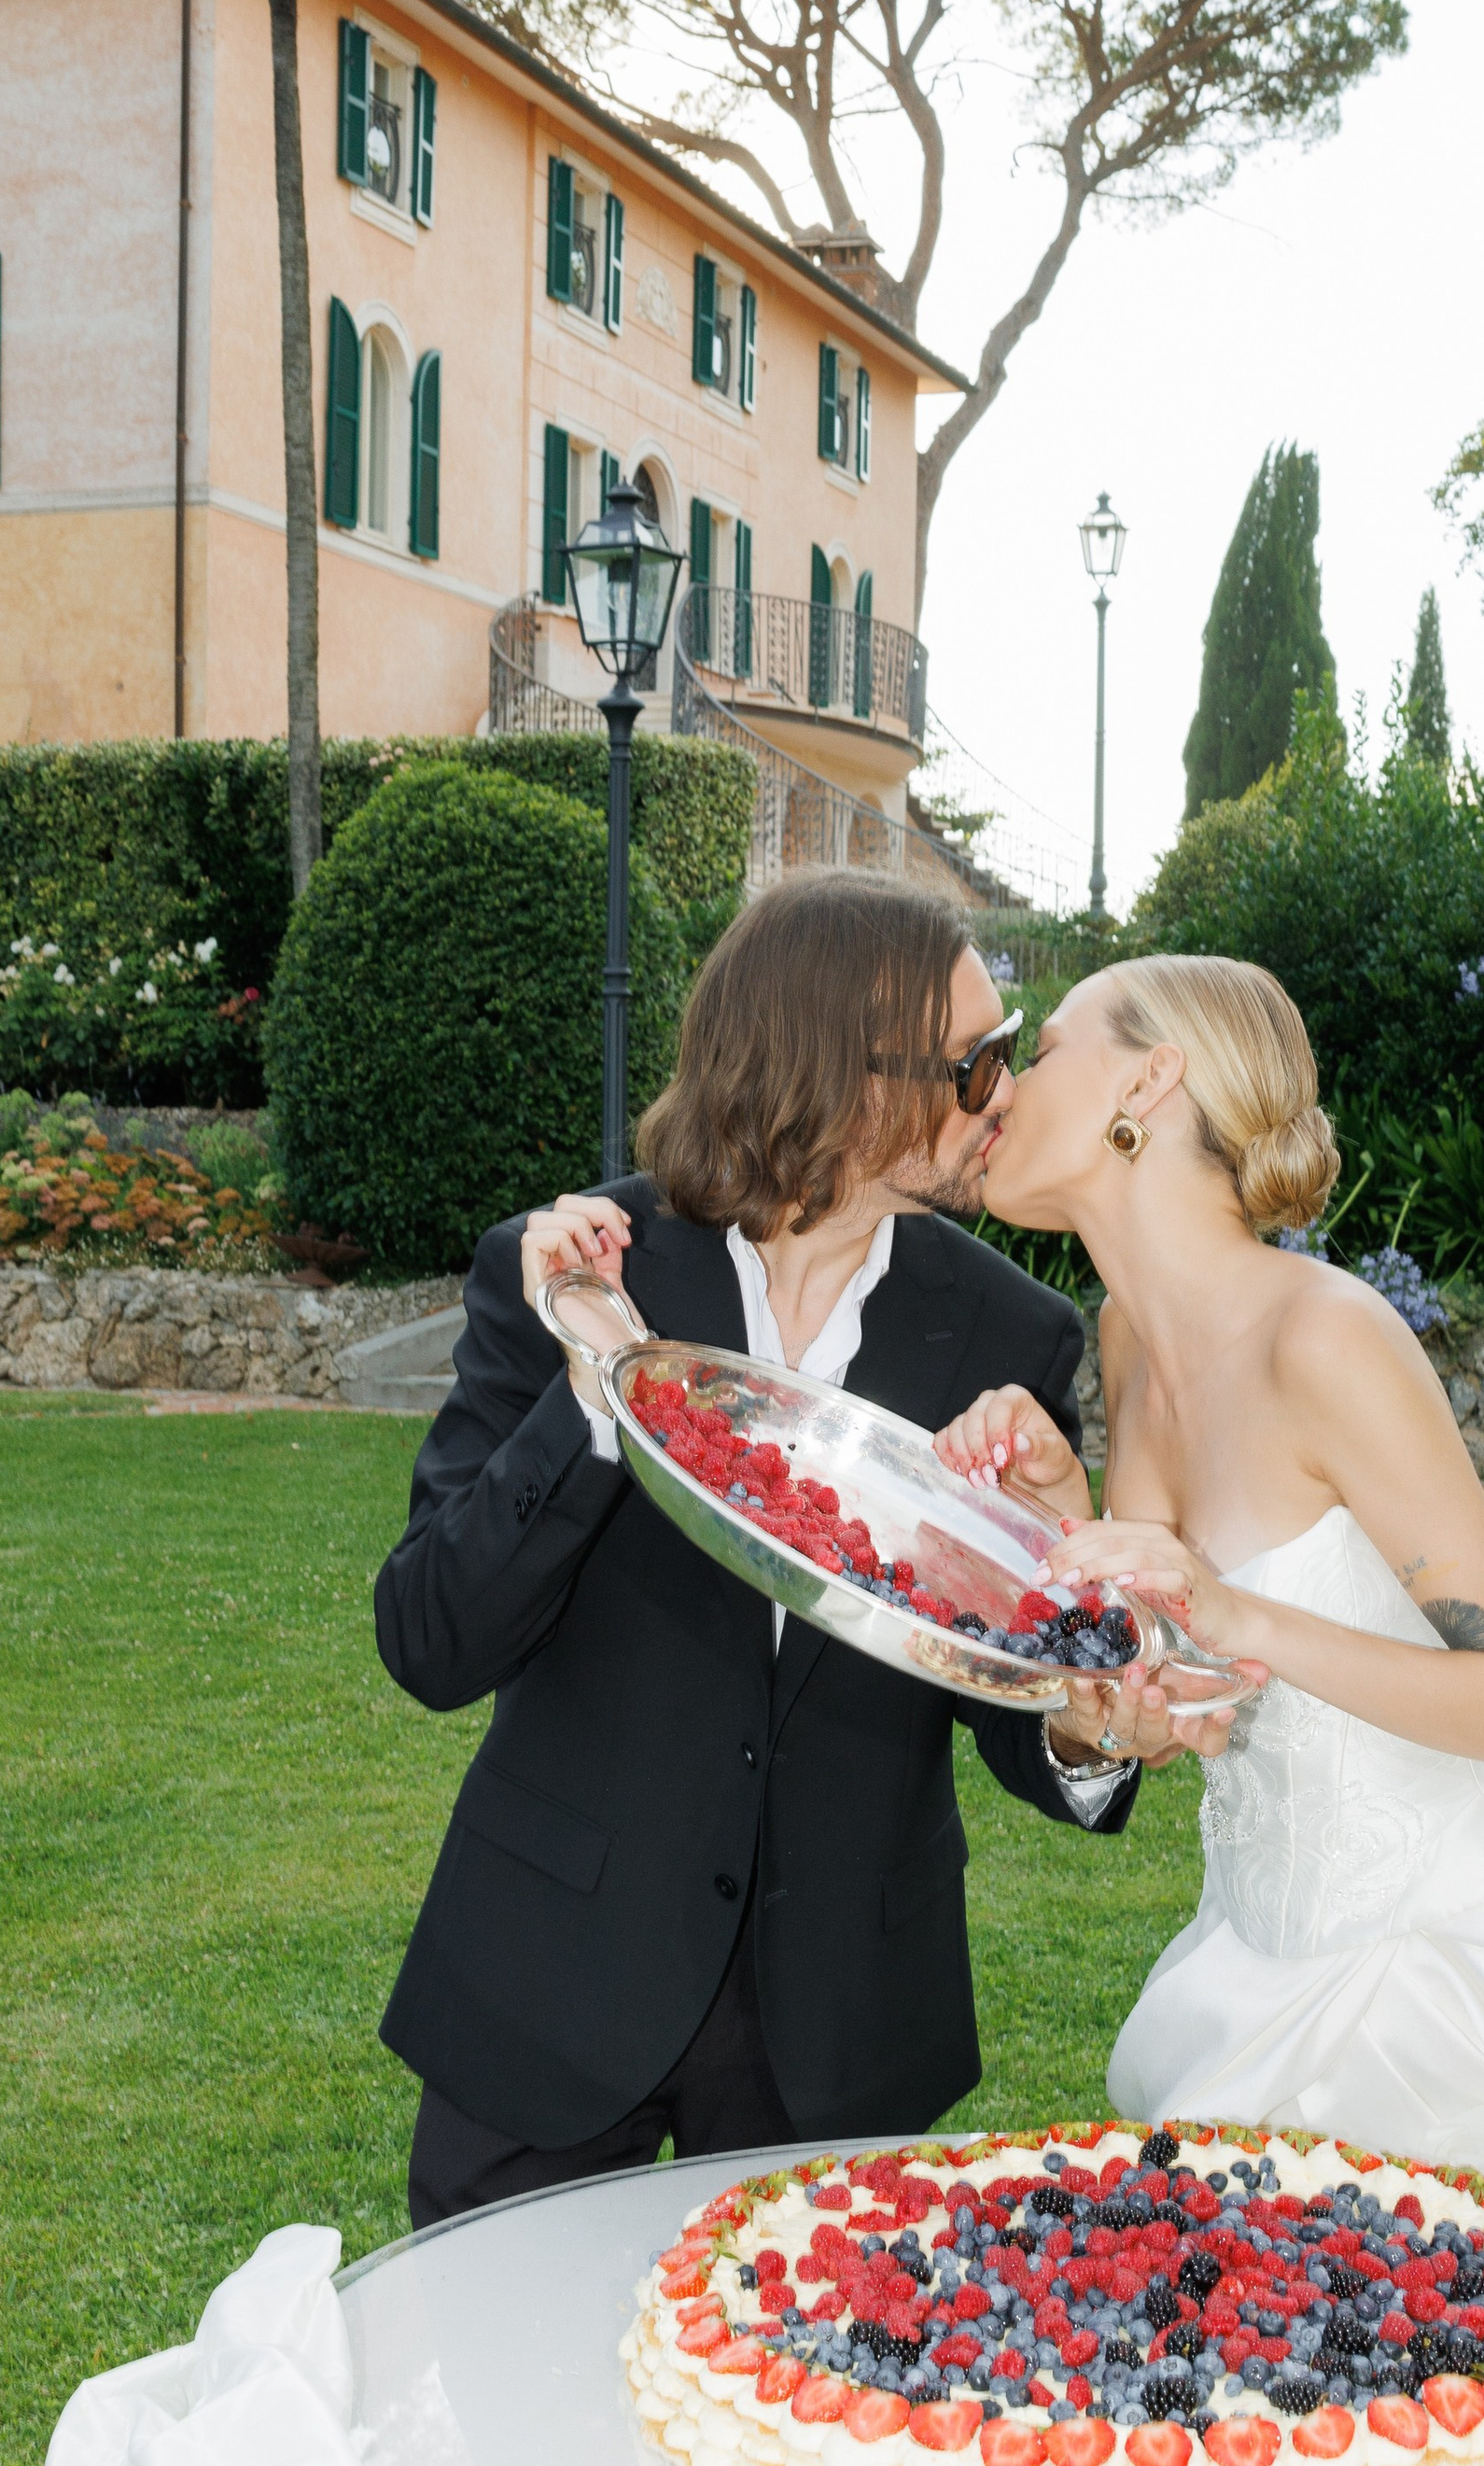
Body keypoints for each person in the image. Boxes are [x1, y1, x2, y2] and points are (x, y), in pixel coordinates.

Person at [374, 877, 1233, 2231]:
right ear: (843, 1077)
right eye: (974, 1064)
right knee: (493, 2364)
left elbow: (1017, 1695)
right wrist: (600, 1384)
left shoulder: (1010, 1335)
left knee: (788, 2382)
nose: (1005, 1094)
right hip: (552, 1984)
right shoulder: (576, 1271)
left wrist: (1087, 1729)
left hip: (838, 2029)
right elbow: (431, 1640)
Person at [932, 949, 1484, 2243]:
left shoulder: (1325, 1335)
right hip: (1255, 1973)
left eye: (1039, 1056)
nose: (999, 1090)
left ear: (1148, 1084)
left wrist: (1244, 1614)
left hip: (1449, 2003)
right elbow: (1182, 1678)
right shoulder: (1129, 1340)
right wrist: (1057, 1514)